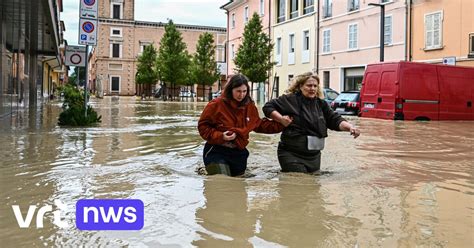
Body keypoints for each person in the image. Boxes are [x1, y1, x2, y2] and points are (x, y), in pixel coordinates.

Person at [263, 72, 360, 173]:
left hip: (314, 156)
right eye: (309, 85)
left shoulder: (321, 104)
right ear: (300, 86)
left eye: (315, 86)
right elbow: (268, 107)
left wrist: (350, 127)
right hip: (291, 154)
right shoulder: (289, 100)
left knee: (313, 185)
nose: (312, 88)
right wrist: (281, 119)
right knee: (299, 181)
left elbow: (335, 119)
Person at [198, 74, 284, 176]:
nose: (241, 95)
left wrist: (283, 124)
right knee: (221, 181)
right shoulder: (216, 104)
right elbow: (203, 127)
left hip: (239, 152)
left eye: (244, 91)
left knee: (238, 185)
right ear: (231, 90)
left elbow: (259, 124)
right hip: (216, 150)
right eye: (238, 91)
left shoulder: (250, 106)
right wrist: (221, 136)